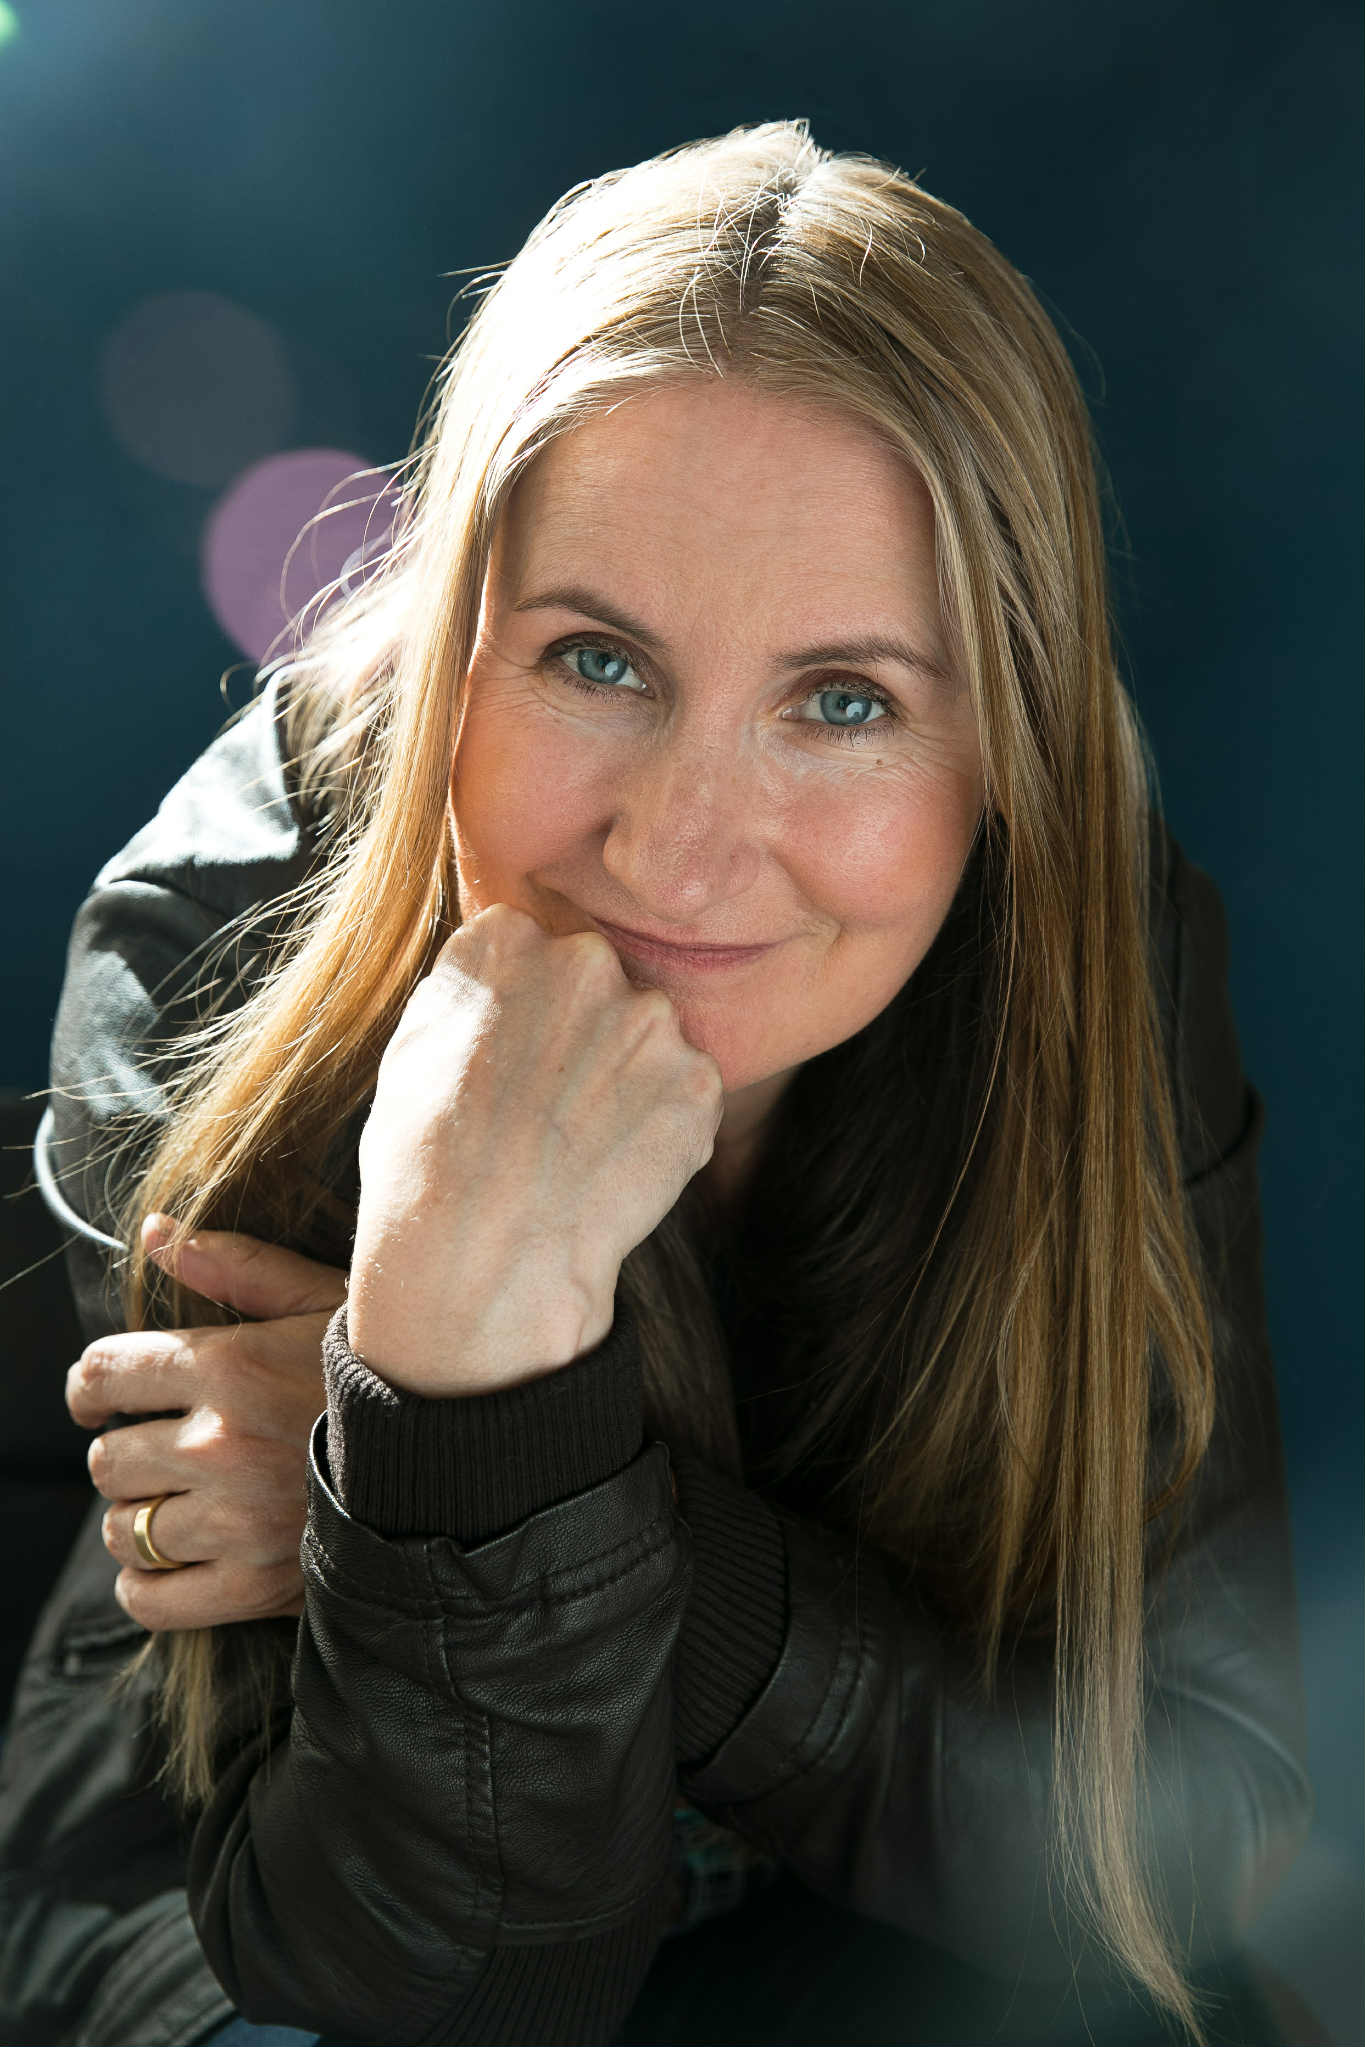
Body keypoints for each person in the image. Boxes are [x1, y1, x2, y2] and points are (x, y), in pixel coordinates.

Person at [0, 120, 1311, 2047]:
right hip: (243, 1921)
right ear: (452, 650)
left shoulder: (1086, 932)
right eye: (595, 662)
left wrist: (465, 1477)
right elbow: (451, 1992)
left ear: (1005, 738)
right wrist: (457, 1305)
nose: (681, 852)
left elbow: (1200, 1831)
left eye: (843, 702)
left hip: (832, 1919)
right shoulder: (216, 961)